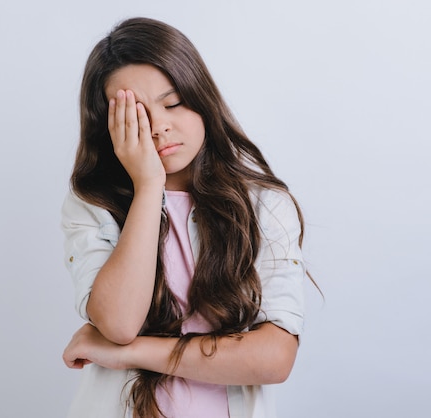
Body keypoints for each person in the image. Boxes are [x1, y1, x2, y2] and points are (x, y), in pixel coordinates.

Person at [61, 17, 309, 418]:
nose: (159, 127)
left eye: (172, 103)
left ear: (200, 97)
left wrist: (133, 353)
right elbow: (120, 323)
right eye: (136, 115)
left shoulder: (264, 204)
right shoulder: (92, 203)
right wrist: (147, 187)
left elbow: (274, 358)